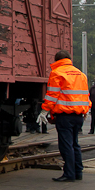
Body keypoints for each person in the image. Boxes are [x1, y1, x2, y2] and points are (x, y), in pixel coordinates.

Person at [38, 51, 90, 182]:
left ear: (57, 60)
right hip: (79, 115)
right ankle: (78, 172)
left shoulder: (57, 73)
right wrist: (86, 110)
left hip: (64, 115)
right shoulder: (81, 74)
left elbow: (52, 95)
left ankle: (69, 174)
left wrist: (44, 111)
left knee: (66, 145)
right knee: (75, 144)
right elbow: (85, 95)